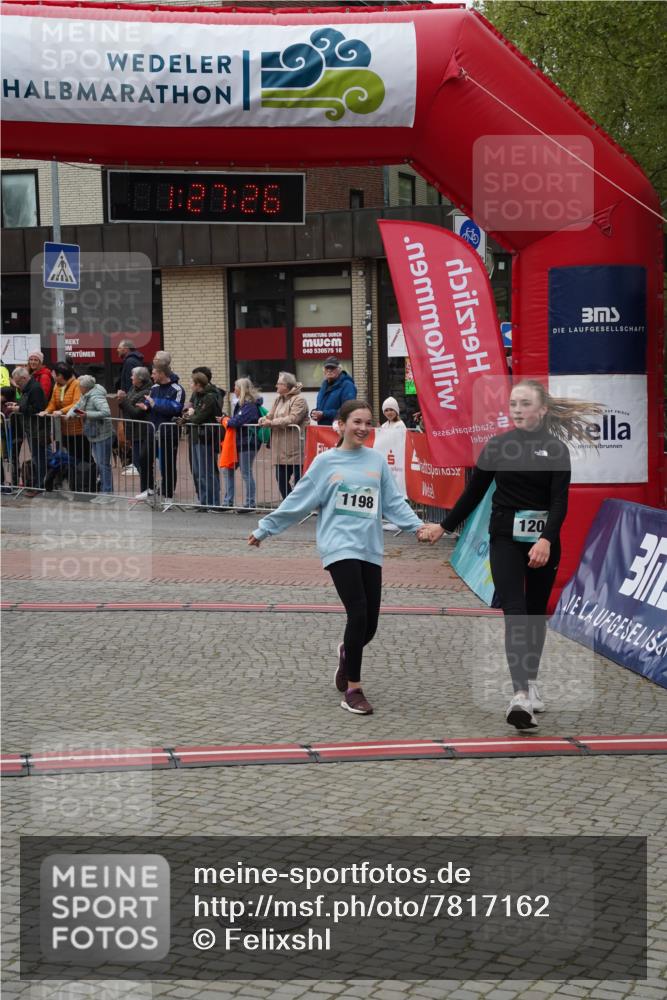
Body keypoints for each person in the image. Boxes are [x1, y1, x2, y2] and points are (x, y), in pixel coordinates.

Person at [420, 379, 603, 730]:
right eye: (513, 404)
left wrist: (547, 539)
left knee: (535, 615)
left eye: (525, 404)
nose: (517, 409)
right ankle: (520, 695)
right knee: (515, 612)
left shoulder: (555, 450)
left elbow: (559, 501)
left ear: (542, 410)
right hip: (504, 538)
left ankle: (530, 683)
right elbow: (474, 493)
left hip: (543, 543)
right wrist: (444, 527)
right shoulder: (498, 446)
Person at [249, 399, 428, 715]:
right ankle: (354, 690)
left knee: (369, 625)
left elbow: (393, 502)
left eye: (367, 422)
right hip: (338, 546)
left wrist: (416, 527)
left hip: (369, 547)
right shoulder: (326, 463)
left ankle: (347, 653)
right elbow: (299, 500)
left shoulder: (375, 462)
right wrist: (266, 528)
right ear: (341, 425)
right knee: (357, 613)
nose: (362, 428)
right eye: (356, 422)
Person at [40, 362, 94, 492]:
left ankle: (88, 483)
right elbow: (53, 402)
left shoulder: (76, 385)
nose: (52, 375)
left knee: (84, 457)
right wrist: (47, 411)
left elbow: (77, 404)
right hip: (64, 430)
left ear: (60, 375)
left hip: (79, 430)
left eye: (54, 373)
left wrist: (62, 411)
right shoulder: (57, 386)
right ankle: (72, 482)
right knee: (70, 456)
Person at [136, 361, 185, 507]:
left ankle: (168, 496)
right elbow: (152, 405)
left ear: (162, 373)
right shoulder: (154, 387)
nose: (151, 375)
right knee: (144, 457)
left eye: (154, 373)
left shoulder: (177, 389)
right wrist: (146, 407)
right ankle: (148, 489)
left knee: (167, 464)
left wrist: (154, 403)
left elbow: (175, 408)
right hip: (153, 429)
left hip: (168, 432)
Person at [260, 371, 309, 499]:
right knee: (281, 479)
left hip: (295, 447)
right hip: (279, 448)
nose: (276, 386)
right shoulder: (278, 399)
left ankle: (299, 505)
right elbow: (270, 415)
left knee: (300, 482)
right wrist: (263, 419)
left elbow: (292, 419)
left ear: (287, 385)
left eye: (279, 383)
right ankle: (290, 504)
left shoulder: (299, 400)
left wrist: (271, 423)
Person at [182, 371, 223, 511]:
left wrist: (191, 416)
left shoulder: (209, 397)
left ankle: (213, 502)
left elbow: (199, 417)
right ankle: (203, 501)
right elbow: (189, 412)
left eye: (192, 383)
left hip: (206, 438)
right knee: (198, 472)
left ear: (198, 384)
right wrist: (189, 415)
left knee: (207, 472)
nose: (190, 385)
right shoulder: (198, 396)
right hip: (195, 437)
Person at [222, 377, 263, 512]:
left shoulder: (249, 406)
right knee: (228, 469)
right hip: (239, 442)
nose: (234, 390)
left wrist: (225, 419)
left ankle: (250, 503)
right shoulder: (242, 404)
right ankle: (228, 501)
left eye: (236, 387)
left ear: (242, 389)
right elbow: (236, 420)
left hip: (247, 443)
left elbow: (235, 422)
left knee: (246, 472)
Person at [5, 366, 48, 490]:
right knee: (36, 457)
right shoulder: (28, 388)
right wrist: (16, 405)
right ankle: (37, 484)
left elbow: (37, 409)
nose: (17, 385)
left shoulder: (34, 388)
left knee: (38, 458)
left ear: (24, 378)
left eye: (18, 382)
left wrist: (19, 409)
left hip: (37, 429)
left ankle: (40, 485)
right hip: (30, 428)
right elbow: (28, 405)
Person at [73, 375, 114, 501]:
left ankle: (108, 493)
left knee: (103, 465)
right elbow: (77, 406)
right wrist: (69, 414)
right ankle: (104, 491)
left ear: (84, 387)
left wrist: (87, 414)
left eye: (79, 386)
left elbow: (106, 412)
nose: (78, 388)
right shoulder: (85, 395)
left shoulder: (95, 396)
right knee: (100, 464)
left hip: (103, 434)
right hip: (95, 434)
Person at [118, 366, 155, 499]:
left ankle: (149, 487)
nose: (131, 377)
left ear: (140, 378)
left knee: (142, 461)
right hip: (133, 430)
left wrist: (125, 400)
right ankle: (148, 487)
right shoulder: (133, 389)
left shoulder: (147, 391)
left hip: (142, 431)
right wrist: (121, 400)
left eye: (133, 376)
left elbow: (136, 413)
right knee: (137, 460)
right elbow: (125, 406)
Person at [311, 357, 357, 426]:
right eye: (327, 368)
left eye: (332, 368)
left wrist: (324, 414)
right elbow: (322, 408)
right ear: (324, 370)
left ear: (339, 370)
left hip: (339, 429)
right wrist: (314, 412)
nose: (329, 370)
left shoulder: (347, 385)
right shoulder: (324, 385)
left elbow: (348, 410)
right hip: (324, 430)